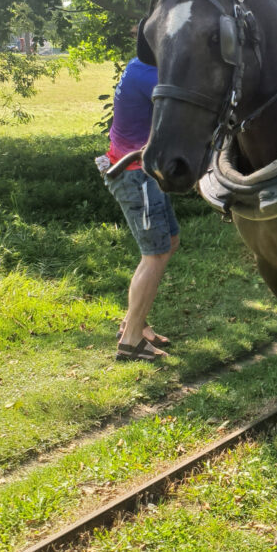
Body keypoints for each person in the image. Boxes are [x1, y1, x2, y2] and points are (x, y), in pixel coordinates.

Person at [99, 56, 179, 362]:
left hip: (139, 173)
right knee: (155, 255)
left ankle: (134, 323)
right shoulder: (152, 77)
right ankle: (131, 341)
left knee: (168, 243)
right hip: (137, 175)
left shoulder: (139, 65)